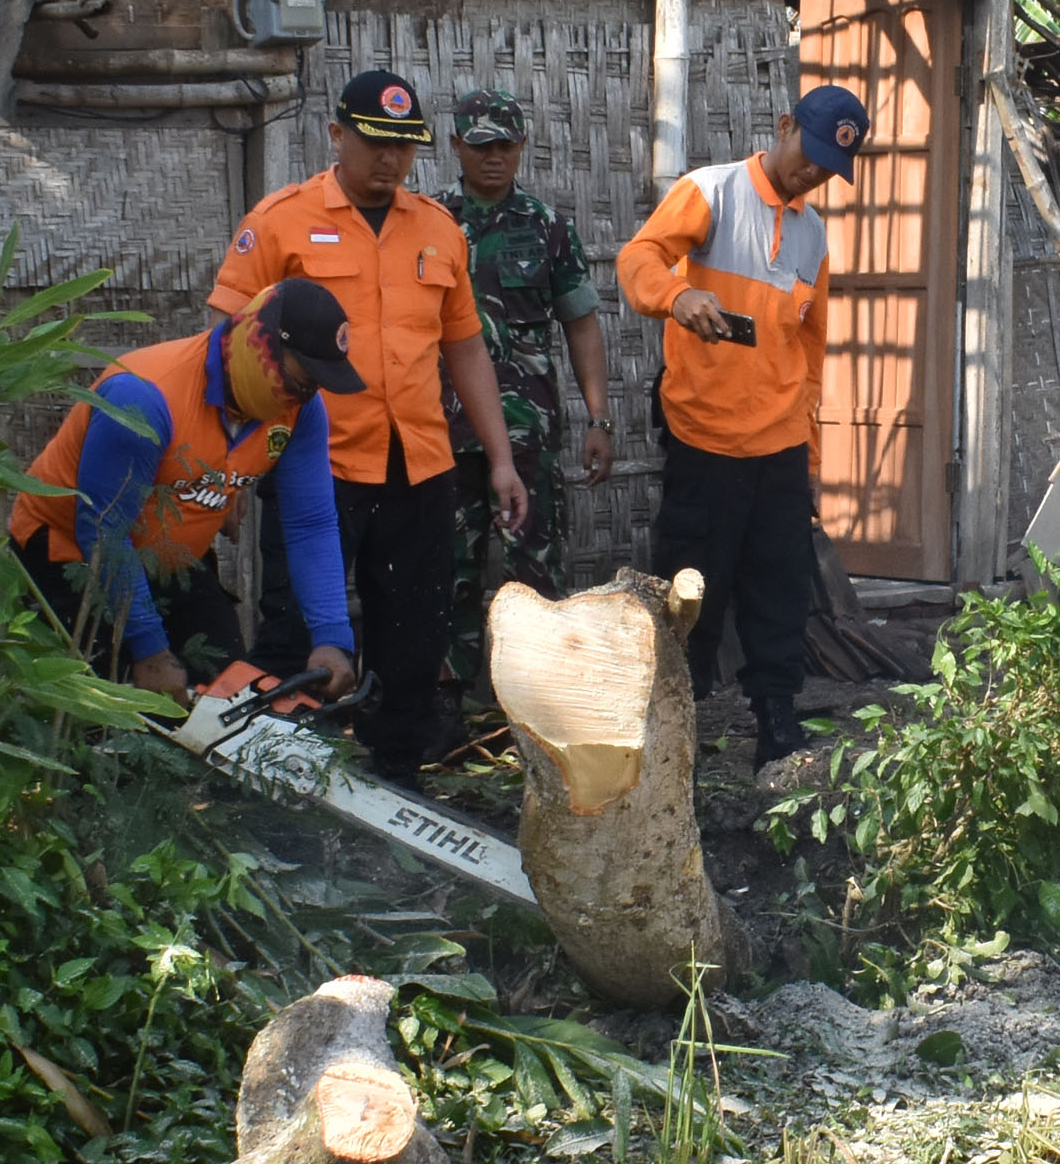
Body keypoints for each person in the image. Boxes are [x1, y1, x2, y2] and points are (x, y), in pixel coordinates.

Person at [211, 71, 528, 785]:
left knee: (414, 638)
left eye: (404, 146)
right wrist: (225, 467)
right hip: (310, 468)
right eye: (375, 142)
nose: (390, 160)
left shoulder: (439, 229)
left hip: (418, 464)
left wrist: (501, 458)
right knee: (296, 630)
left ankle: (397, 782)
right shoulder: (281, 221)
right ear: (336, 135)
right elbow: (227, 349)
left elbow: (465, 347)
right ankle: (279, 781)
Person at [620, 87, 865, 764]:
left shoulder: (813, 233)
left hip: (780, 445)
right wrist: (679, 295)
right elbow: (635, 260)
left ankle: (776, 720)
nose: (811, 174)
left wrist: (810, 454)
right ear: (784, 125)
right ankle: (676, 727)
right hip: (704, 439)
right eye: (808, 156)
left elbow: (809, 354)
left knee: (780, 586)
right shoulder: (711, 192)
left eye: (826, 170)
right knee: (691, 587)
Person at [10, 281, 360, 702]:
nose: (305, 397)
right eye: (303, 382)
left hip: (170, 557)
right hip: (69, 554)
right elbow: (104, 533)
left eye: (316, 387)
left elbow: (311, 522)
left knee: (230, 696)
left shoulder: (300, 409)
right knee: (109, 715)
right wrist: (149, 648)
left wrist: (332, 635)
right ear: (259, 343)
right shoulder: (143, 397)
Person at [435, 86, 611, 673]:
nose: (495, 156)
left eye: (506, 145)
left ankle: (537, 709)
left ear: (522, 146)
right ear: (456, 145)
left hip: (528, 437)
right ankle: (446, 709)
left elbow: (581, 326)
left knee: (536, 580)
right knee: (446, 576)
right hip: (443, 435)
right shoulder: (430, 226)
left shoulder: (547, 227)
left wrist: (599, 417)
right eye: (482, 145)